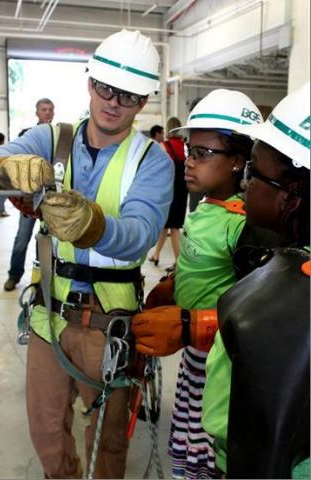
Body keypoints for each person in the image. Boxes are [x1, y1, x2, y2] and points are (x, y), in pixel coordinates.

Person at [0, 29, 173, 479]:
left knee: (109, 445)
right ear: (91, 82)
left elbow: (139, 232)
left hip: (108, 324)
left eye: (128, 96)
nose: (113, 102)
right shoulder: (52, 138)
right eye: (106, 88)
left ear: (144, 99)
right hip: (48, 318)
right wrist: (1, 169)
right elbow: (0, 160)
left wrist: (93, 226)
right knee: (47, 435)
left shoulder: (152, 160)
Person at [132, 89, 278, 479]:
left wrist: (194, 322)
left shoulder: (244, 224)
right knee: (186, 432)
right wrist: (175, 281)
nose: (188, 161)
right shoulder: (206, 206)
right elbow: (204, 262)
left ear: (237, 161)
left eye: (201, 153)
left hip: (221, 363)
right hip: (195, 359)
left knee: (208, 443)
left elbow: (263, 314)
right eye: (188, 149)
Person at [202, 82, 310, 479]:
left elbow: (263, 451)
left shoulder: (278, 307)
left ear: (290, 197)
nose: (245, 183)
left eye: (254, 172)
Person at [3, 98, 55, 291]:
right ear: (37, 113)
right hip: (29, 198)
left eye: (50, 110)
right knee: (22, 238)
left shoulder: (59, 135)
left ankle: (42, 280)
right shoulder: (26, 135)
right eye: (44, 109)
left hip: (50, 198)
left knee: (47, 241)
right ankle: (14, 275)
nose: (48, 113)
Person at [148, 117, 188, 268]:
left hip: (168, 191)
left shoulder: (163, 146)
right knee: (168, 224)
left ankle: (178, 263)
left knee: (174, 227)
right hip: (183, 190)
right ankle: (156, 254)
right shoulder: (185, 146)